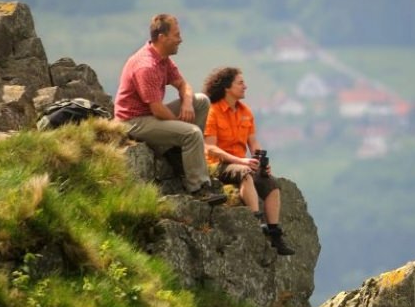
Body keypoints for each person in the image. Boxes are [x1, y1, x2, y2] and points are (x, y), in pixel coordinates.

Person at [113, 14, 226, 205]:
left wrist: (188, 103)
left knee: (201, 101)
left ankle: (178, 152)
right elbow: (157, 110)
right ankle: (199, 188)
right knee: (192, 133)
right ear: (162, 37)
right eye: (176, 35)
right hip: (133, 122)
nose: (180, 40)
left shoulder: (163, 59)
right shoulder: (146, 66)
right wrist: (183, 125)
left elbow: (183, 85)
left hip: (150, 114)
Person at [202, 66, 295, 256]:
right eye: (240, 83)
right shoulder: (213, 112)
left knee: (272, 185)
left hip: (241, 161)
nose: (245, 86)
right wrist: (241, 161)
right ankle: (255, 222)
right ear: (227, 88)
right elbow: (209, 147)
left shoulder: (246, 112)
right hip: (218, 164)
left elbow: (253, 142)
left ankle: (275, 234)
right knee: (245, 175)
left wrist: (260, 160)